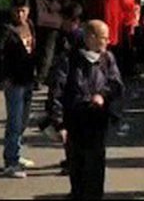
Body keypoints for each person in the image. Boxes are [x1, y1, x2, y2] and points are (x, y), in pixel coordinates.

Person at [48, 19, 124, 200]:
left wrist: (103, 95)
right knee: (78, 169)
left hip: (97, 121)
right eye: (104, 38)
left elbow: (116, 85)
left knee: (96, 170)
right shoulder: (69, 60)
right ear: (91, 37)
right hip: (75, 121)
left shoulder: (107, 58)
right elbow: (57, 92)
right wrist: (59, 123)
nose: (108, 41)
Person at [1, 0, 37, 178]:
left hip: (28, 78)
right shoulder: (7, 30)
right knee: (14, 122)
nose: (20, 14)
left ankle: (17, 152)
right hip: (14, 81)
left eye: (23, 10)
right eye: (17, 10)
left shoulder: (30, 25)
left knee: (23, 121)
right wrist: (5, 76)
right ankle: (11, 161)